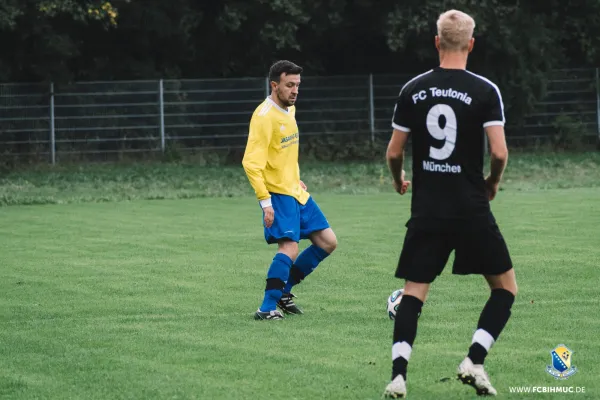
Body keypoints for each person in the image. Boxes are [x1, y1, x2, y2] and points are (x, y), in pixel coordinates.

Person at [382, 9, 518, 398]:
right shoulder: (485, 90)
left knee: (414, 292)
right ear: (471, 44)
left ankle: (399, 376)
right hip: (471, 206)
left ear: (437, 42)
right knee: (505, 288)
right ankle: (474, 360)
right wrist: (492, 183)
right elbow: (499, 151)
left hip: (428, 207)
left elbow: (394, 153)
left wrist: (399, 181)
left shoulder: (413, 89)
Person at [242, 60, 338, 321]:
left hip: (295, 190)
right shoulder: (263, 117)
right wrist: (265, 201)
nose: (295, 91)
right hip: (277, 193)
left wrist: (296, 177)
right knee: (289, 248)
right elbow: (251, 163)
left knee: (328, 242)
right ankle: (266, 308)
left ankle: (283, 291)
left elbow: (284, 153)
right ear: (275, 86)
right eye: (289, 85)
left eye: (297, 85)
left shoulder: (289, 110)